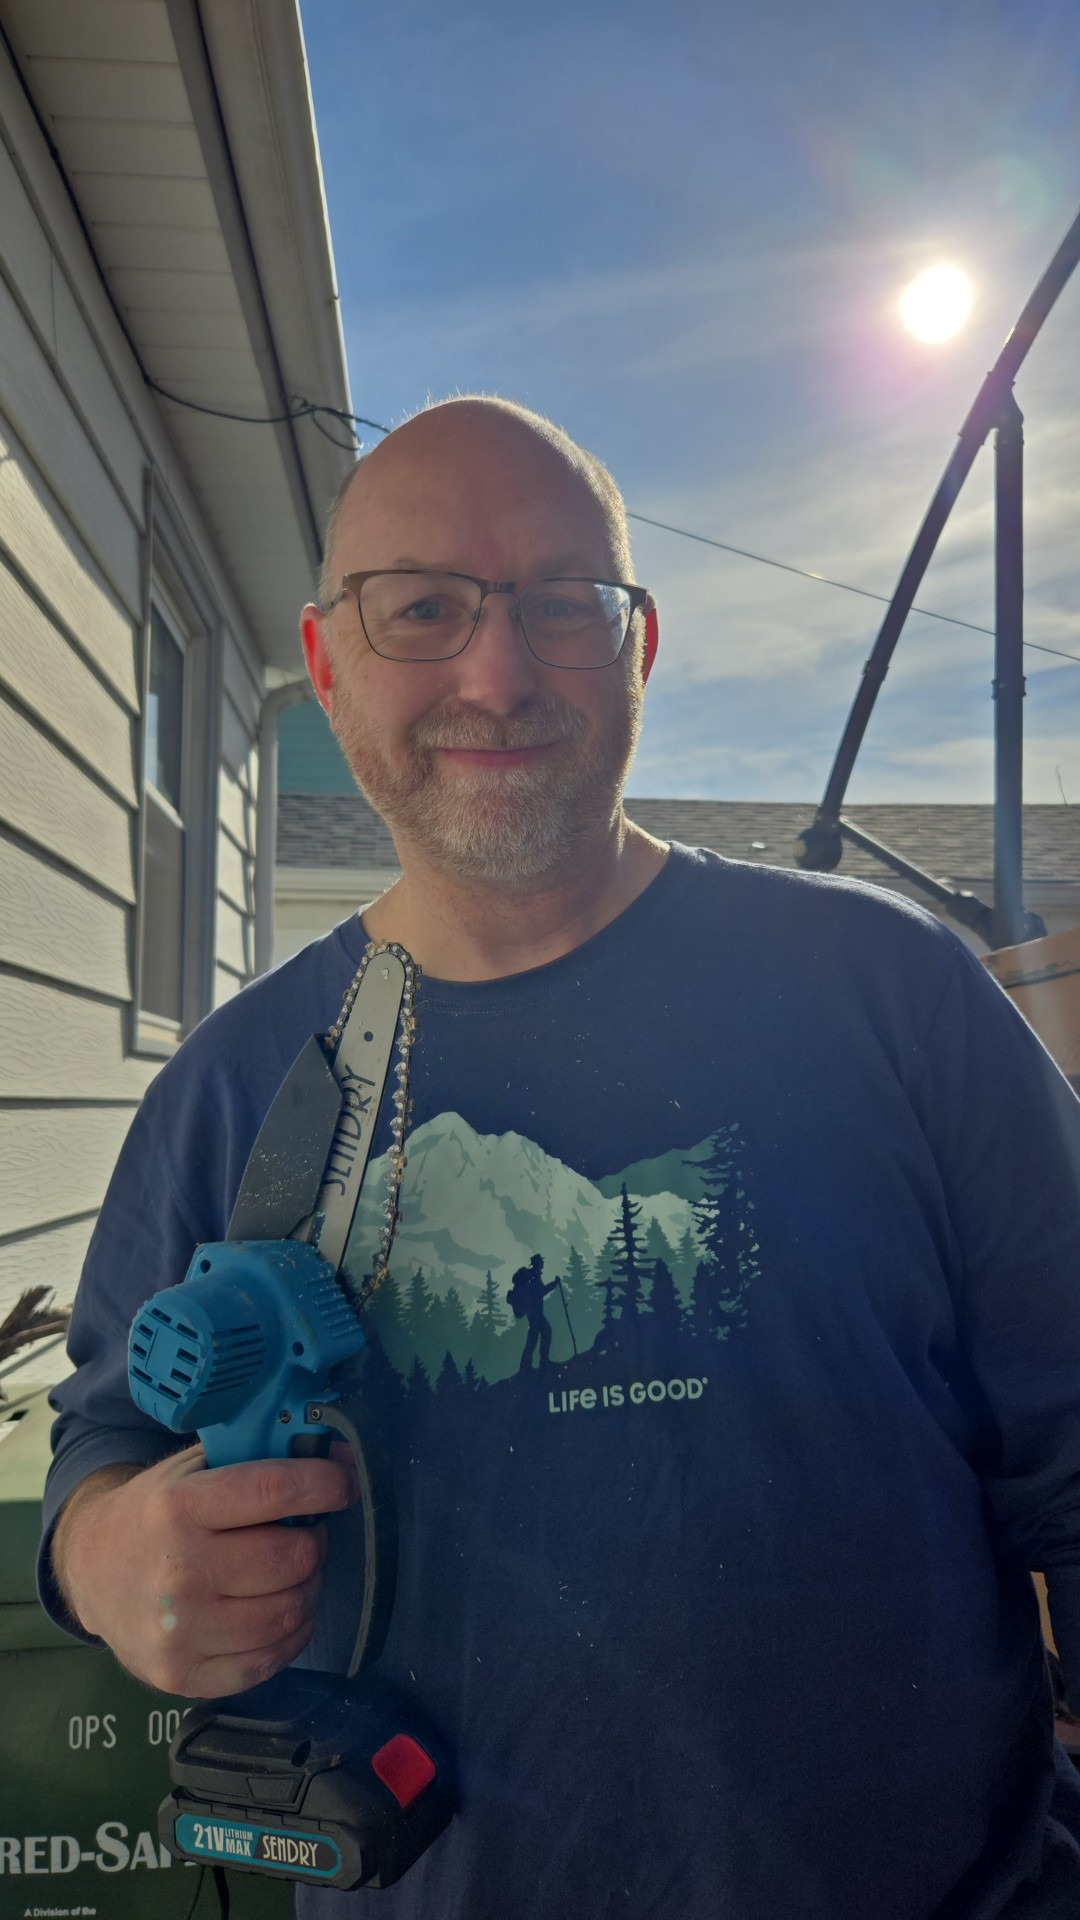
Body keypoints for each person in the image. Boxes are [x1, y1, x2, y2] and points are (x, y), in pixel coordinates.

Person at [40, 396, 1080, 1919]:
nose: (497, 673)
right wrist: (106, 1555)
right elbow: (104, 1447)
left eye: (563, 603)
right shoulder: (233, 1088)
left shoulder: (890, 993)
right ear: (327, 662)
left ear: (639, 646)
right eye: (422, 609)